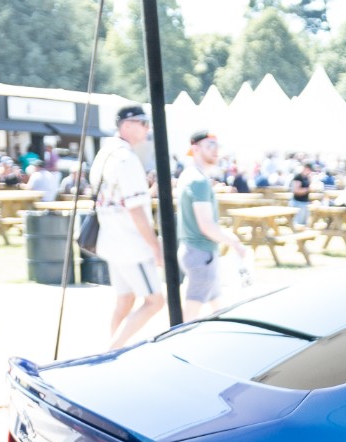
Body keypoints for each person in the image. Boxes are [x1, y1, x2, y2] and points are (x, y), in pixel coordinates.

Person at [90, 104, 167, 350]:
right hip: (131, 242)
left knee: (124, 300)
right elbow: (135, 209)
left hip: (111, 238)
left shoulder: (105, 154)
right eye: (142, 122)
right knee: (155, 301)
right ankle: (112, 351)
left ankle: (111, 350)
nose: (147, 128)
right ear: (126, 125)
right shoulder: (126, 158)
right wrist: (155, 245)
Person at [178, 130, 246, 320]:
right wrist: (233, 241)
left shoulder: (189, 176)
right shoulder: (198, 181)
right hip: (200, 252)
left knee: (217, 307)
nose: (215, 150)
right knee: (189, 317)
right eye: (210, 145)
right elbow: (206, 226)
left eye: (216, 145)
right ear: (195, 149)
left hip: (198, 251)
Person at [289, 163, 315, 227]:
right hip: (298, 203)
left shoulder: (307, 177)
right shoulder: (298, 177)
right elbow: (296, 191)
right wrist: (307, 189)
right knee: (298, 224)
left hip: (305, 203)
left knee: (304, 224)